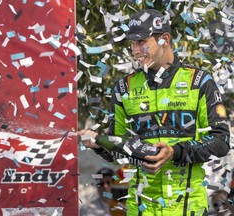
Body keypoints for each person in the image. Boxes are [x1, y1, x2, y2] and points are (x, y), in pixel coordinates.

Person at [78, 9, 230, 215]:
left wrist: (175, 153)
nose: (135, 50)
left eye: (141, 42)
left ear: (164, 39)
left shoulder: (199, 81)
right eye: (132, 43)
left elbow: (221, 142)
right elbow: (118, 151)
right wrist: (98, 143)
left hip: (187, 207)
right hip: (141, 208)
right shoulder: (124, 87)